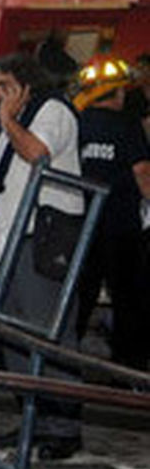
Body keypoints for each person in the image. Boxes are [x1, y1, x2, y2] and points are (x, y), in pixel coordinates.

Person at [0, 52, 85, 461]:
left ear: (28, 85)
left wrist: (8, 121)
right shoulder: (11, 126)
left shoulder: (52, 112)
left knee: (46, 333)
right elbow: (0, 193)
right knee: (14, 338)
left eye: (6, 87)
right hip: (9, 240)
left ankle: (62, 425)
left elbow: (38, 155)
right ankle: (32, 417)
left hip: (42, 238)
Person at [73, 55, 150, 372]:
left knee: (79, 294)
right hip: (121, 226)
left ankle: (65, 359)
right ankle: (126, 368)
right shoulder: (126, 125)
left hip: (79, 224)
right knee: (127, 297)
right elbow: (142, 171)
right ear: (117, 94)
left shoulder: (76, 122)